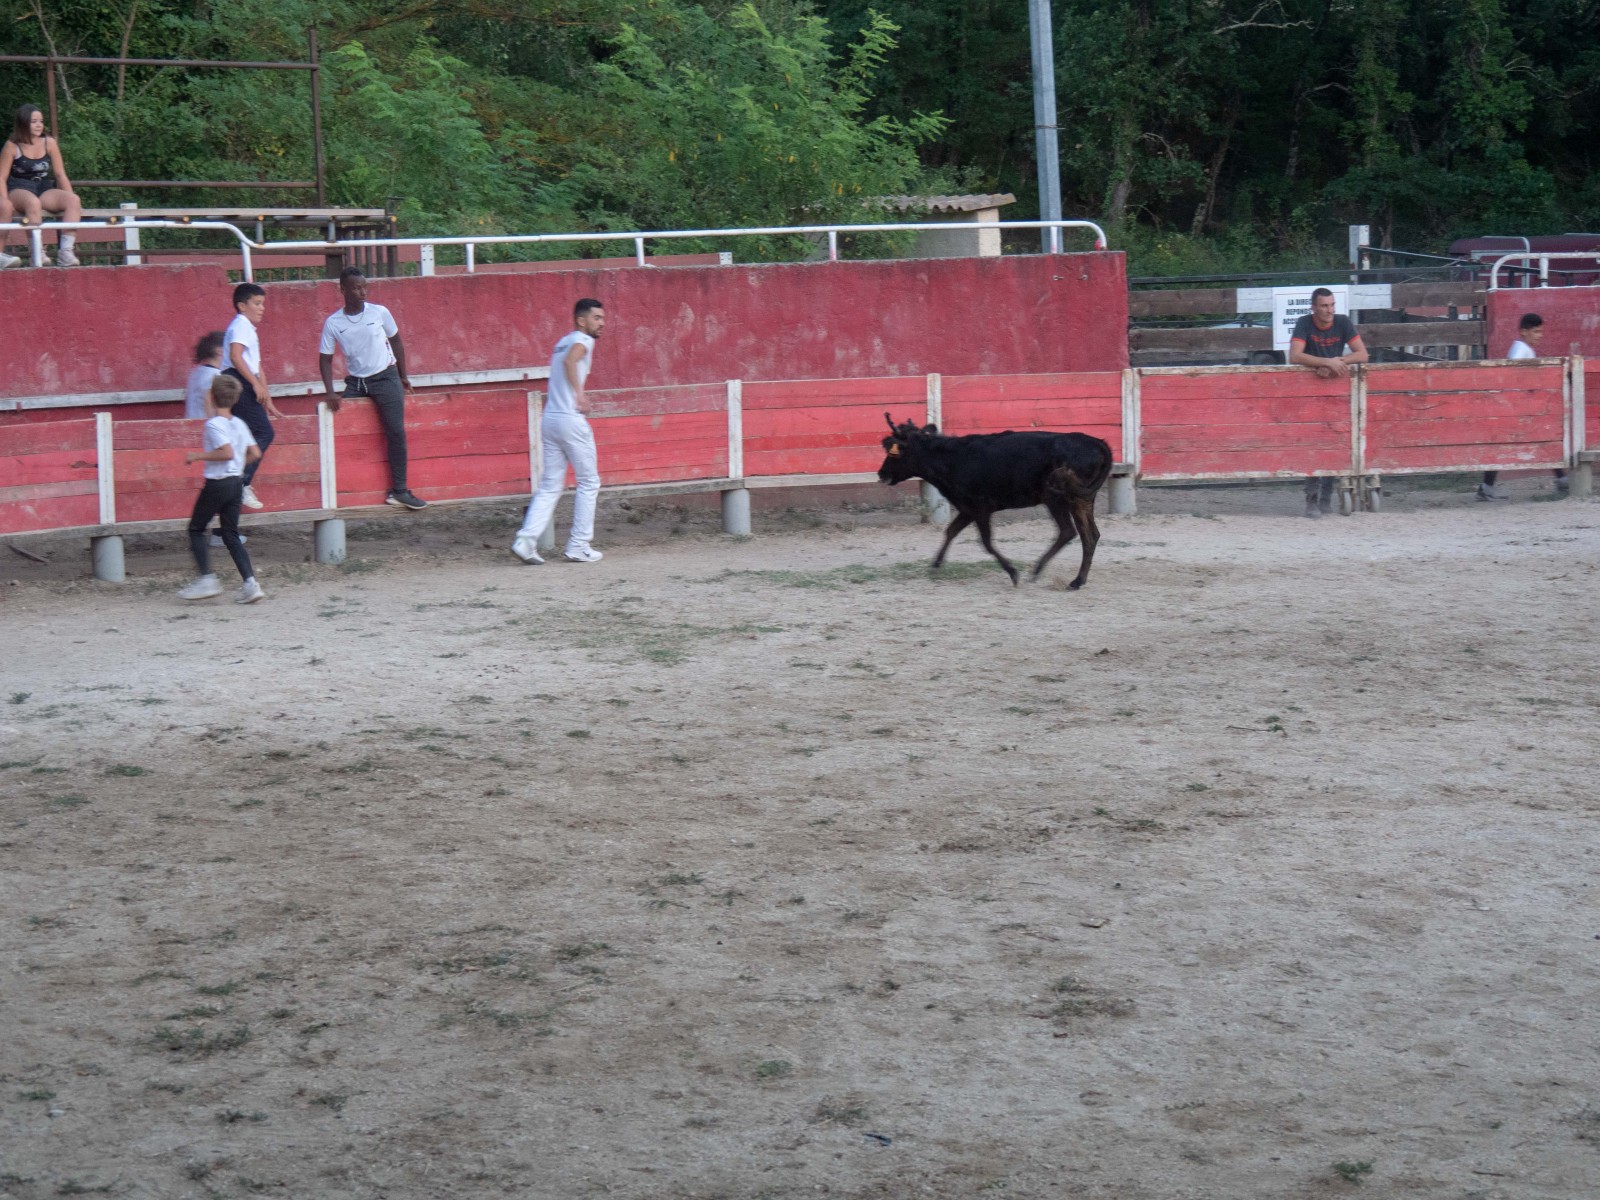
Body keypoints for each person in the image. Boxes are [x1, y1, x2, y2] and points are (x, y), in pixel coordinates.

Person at [318, 267, 427, 510]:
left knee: (396, 432)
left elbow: (396, 340)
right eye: (356, 288)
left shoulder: (379, 312)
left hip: (385, 377)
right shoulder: (333, 322)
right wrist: (330, 392)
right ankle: (340, 491)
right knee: (340, 429)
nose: (362, 292)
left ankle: (399, 490)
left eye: (364, 287)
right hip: (356, 382)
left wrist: (403, 376)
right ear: (343, 290)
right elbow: (324, 359)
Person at [512, 298, 607, 565]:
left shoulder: (561, 341)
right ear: (581, 320)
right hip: (570, 419)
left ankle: (526, 541)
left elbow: (565, 359)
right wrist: (580, 395)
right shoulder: (582, 342)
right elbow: (571, 360)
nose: (602, 323)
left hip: (550, 418)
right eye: (597, 318)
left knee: (551, 485)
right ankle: (579, 544)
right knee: (589, 482)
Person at [178, 374, 265, 604]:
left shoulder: (213, 424)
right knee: (230, 534)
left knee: (196, 529)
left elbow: (226, 452)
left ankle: (207, 578)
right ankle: (250, 584)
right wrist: (238, 466)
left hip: (218, 483)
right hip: (236, 483)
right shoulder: (239, 423)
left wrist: (197, 456)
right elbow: (255, 453)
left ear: (213, 396)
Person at [1288, 287, 1368, 518]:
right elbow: (1294, 355)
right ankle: (1311, 500)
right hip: (1311, 389)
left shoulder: (1342, 322)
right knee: (1314, 442)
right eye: (1324, 306)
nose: (1329, 310)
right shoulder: (1305, 322)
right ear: (1313, 308)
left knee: (1334, 441)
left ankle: (1325, 498)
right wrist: (1324, 362)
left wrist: (1335, 362)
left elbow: (1362, 354)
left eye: (1332, 305)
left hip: (1334, 387)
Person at [1479, 313, 1568, 500]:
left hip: (1515, 408)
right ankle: (1562, 480)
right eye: (1535, 331)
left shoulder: (1522, 348)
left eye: (1541, 331)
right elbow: (1513, 375)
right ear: (1523, 332)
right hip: (1516, 409)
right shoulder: (1522, 350)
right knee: (1542, 440)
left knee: (1534, 441)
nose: (1539, 335)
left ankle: (1562, 479)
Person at [220, 282, 282, 509]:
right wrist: (255, 384)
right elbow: (236, 357)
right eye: (257, 303)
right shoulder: (241, 325)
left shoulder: (246, 328)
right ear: (242, 306)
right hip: (237, 380)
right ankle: (242, 483)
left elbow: (257, 366)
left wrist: (267, 397)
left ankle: (227, 512)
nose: (261, 308)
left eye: (262, 304)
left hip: (242, 381)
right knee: (264, 431)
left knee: (243, 440)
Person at [1, 104, 82, 267]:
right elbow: (1, 177)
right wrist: (4, 201)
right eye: (34, 121)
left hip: (43, 187)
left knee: (73, 200)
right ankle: (37, 252)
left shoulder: (49, 142)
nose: (39, 125)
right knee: (33, 203)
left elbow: (60, 174)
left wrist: (73, 200)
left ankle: (66, 252)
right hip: (18, 188)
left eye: (41, 121)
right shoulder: (12, 145)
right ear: (24, 123)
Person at [185, 332, 225, 420]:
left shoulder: (195, 372)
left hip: (190, 424)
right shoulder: (217, 375)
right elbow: (209, 402)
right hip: (206, 426)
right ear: (220, 351)